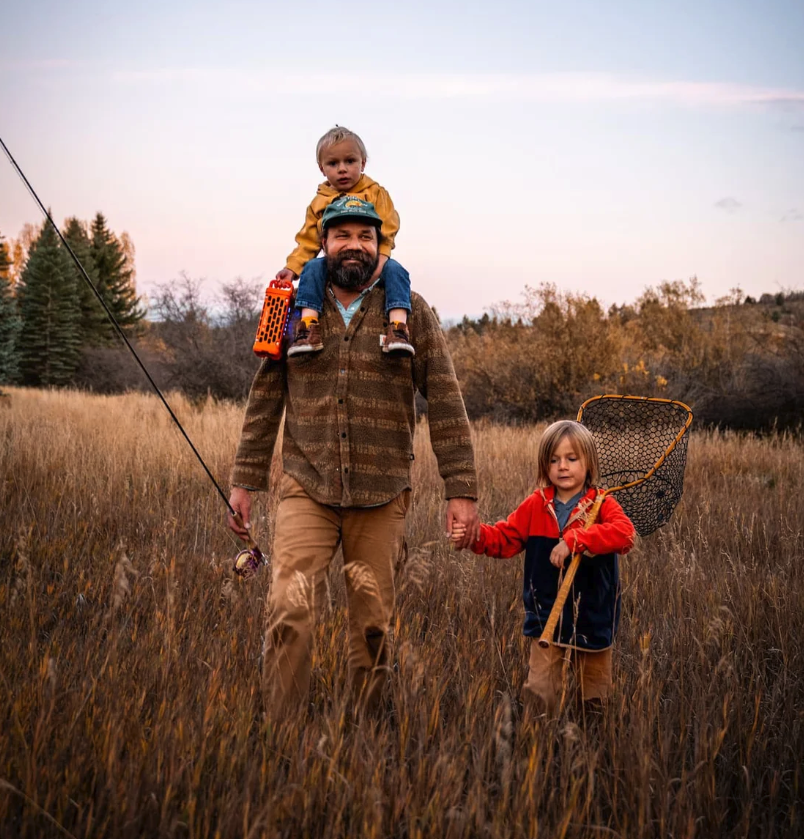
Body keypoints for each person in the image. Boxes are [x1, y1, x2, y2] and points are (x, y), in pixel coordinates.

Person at [229, 194, 479, 717]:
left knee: (372, 627)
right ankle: (282, 729)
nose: (354, 245)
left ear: (380, 246)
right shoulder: (293, 308)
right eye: (343, 235)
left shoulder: (410, 312)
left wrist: (461, 489)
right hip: (306, 486)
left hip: (382, 491)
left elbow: (447, 396)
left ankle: (367, 732)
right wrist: (244, 480)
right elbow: (265, 397)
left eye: (366, 237)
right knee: (288, 611)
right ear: (323, 243)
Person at [452, 419, 635, 714]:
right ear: (544, 465)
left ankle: (592, 746)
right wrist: (473, 536)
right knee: (540, 696)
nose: (562, 466)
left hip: (592, 615)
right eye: (554, 459)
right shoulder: (536, 505)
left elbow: (625, 535)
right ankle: (539, 744)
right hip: (545, 616)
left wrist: (575, 539)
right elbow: (504, 538)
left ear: (589, 463)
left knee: (595, 701)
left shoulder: (602, 504)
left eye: (571, 459)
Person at [277, 125, 414, 357]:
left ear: (362, 164)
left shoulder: (375, 194)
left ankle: (398, 328)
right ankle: (308, 328)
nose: (342, 169)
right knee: (312, 268)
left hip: (373, 260)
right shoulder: (319, 202)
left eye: (350, 161)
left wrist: (379, 264)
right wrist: (291, 269)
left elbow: (387, 232)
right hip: (335, 266)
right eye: (333, 164)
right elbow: (308, 241)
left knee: (397, 271)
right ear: (322, 168)